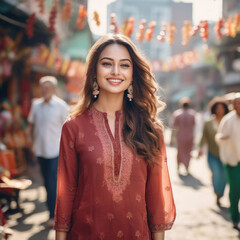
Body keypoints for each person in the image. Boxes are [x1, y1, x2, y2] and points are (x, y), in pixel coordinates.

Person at [54, 34, 176, 240]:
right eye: (107, 63)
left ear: (133, 74)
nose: (116, 71)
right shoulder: (73, 127)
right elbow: (65, 192)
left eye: (125, 65)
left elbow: (156, 197)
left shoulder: (150, 129)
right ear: (94, 71)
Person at [28, 76, 69, 228]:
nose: (45, 90)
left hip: (56, 151)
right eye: (42, 87)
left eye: (48, 87)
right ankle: (52, 212)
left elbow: (68, 130)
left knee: (52, 183)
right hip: (40, 150)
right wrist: (31, 145)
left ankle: (53, 215)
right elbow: (32, 126)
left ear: (53, 89)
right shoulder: (36, 105)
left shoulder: (61, 106)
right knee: (46, 183)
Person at [197, 97, 229, 207]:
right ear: (214, 109)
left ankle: (220, 194)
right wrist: (200, 148)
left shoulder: (228, 121)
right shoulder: (208, 122)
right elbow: (204, 136)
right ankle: (217, 192)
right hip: (212, 154)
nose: (220, 110)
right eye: (217, 108)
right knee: (216, 173)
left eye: (222, 108)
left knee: (224, 176)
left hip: (226, 154)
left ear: (225, 109)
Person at [215, 93, 240, 231]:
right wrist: (223, 137)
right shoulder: (228, 120)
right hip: (232, 161)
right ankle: (235, 217)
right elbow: (219, 136)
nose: (238, 105)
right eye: (236, 103)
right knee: (235, 190)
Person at [170, 97, 196, 174]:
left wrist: (172, 138)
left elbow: (175, 127)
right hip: (190, 136)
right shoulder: (192, 114)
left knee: (180, 152)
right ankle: (187, 166)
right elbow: (194, 126)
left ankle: (179, 166)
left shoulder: (177, 114)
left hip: (180, 136)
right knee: (188, 152)